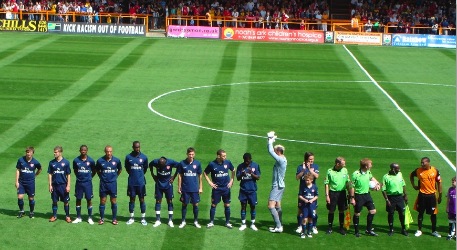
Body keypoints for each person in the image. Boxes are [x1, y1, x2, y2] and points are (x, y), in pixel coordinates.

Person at [409, 157, 442, 237]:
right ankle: (419, 230)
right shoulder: (418, 170)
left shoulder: (435, 171)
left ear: (428, 162)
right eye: (421, 162)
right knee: (420, 212)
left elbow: (439, 183)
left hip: (432, 196)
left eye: (423, 162)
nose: (422, 164)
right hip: (422, 195)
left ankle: (434, 231)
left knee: (433, 214)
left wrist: (440, 195)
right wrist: (414, 186)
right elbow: (411, 175)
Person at [204, 149, 235, 229]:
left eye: (225, 155)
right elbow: (205, 173)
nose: (225, 157)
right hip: (217, 189)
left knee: (227, 205)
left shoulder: (227, 162)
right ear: (218, 156)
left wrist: (231, 180)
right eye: (223, 156)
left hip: (226, 188)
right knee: (214, 204)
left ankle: (227, 222)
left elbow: (233, 170)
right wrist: (210, 182)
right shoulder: (212, 164)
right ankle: (211, 222)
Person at [350, 158, 380, 237]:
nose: (371, 165)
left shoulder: (368, 172)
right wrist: (352, 198)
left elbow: (372, 178)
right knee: (357, 213)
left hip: (367, 195)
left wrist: (377, 184)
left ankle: (368, 230)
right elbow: (352, 187)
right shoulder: (355, 174)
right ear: (366, 166)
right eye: (370, 164)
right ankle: (356, 231)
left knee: (373, 211)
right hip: (358, 196)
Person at [324, 157, 352, 235]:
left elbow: (348, 182)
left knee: (342, 210)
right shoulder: (330, 171)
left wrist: (350, 193)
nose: (345, 165)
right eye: (343, 164)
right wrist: (327, 195)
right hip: (332, 193)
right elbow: (326, 184)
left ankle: (341, 228)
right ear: (337, 164)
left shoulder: (345, 170)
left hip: (342, 193)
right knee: (331, 210)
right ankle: (329, 227)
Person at [149, 156, 179, 227]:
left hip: (168, 185)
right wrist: (153, 175)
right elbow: (150, 165)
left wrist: (174, 177)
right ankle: (158, 220)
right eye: (159, 166)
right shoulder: (155, 161)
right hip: (159, 185)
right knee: (158, 201)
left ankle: (170, 220)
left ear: (165, 163)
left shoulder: (171, 162)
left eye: (162, 166)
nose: (161, 167)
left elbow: (179, 166)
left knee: (169, 201)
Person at [177, 147, 203, 229]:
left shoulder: (197, 163)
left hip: (195, 188)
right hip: (185, 188)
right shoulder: (182, 163)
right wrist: (179, 187)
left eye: (192, 154)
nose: (191, 156)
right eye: (189, 154)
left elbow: (200, 176)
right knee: (184, 204)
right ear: (187, 154)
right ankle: (183, 221)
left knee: (195, 204)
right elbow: (180, 176)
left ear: (194, 154)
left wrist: (201, 187)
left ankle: (195, 221)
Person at [96, 145, 122, 225]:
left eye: (110, 151)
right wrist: (102, 177)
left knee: (113, 200)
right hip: (103, 184)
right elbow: (97, 170)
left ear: (112, 151)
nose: (109, 153)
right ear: (105, 152)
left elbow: (120, 169)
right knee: (103, 201)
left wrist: (115, 176)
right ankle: (102, 219)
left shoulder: (117, 160)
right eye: (107, 151)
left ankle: (114, 219)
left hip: (112, 184)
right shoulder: (100, 161)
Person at [266, 131, 287, 233]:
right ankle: (279, 225)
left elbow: (270, 151)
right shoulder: (282, 158)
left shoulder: (280, 160)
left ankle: (278, 226)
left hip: (277, 186)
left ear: (279, 151)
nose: (274, 152)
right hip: (280, 185)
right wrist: (271, 140)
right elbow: (271, 150)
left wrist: (270, 141)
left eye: (275, 151)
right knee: (278, 205)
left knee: (271, 206)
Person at [125, 141, 149, 226]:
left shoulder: (144, 157)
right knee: (132, 199)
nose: (137, 149)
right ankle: (131, 218)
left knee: (142, 199)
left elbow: (145, 168)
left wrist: (140, 175)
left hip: (141, 183)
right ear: (133, 147)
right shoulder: (128, 157)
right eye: (136, 147)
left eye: (138, 147)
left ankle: (143, 218)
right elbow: (127, 168)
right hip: (132, 182)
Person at [381, 163, 408, 236]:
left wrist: (405, 195)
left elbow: (403, 184)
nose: (399, 170)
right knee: (391, 213)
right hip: (391, 198)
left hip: (400, 197)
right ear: (393, 169)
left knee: (402, 213)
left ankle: (403, 229)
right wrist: (387, 200)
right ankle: (391, 229)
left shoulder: (399, 174)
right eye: (397, 168)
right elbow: (383, 190)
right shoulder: (385, 177)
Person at [295, 152, 319, 234]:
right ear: (305, 160)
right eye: (310, 159)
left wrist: (310, 170)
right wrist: (304, 170)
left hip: (312, 192)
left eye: (312, 159)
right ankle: (300, 226)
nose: (311, 161)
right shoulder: (300, 167)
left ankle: (314, 226)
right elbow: (297, 177)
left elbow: (317, 176)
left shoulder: (315, 166)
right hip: (303, 191)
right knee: (300, 210)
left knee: (314, 211)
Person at [72, 145, 96, 225]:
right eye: (82, 150)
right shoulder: (76, 160)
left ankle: (89, 217)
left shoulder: (91, 161)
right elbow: (75, 170)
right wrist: (79, 177)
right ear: (80, 151)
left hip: (88, 183)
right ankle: (78, 217)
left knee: (89, 199)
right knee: (78, 199)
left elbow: (94, 171)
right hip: (79, 183)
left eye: (84, 150)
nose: (83, 151)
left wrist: (89, 177)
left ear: (87, 151)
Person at [236, 153, 261, 231]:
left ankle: (252, 224)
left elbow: (258, 177)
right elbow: (238, 178)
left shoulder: (255, 165)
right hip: (243, 190)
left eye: (248, 161)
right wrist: (242, 174)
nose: (246, 162)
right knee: (243, 206)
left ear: (250, 159)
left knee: (252, 207)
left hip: (252, 190)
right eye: (245, 161)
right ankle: (243, 224)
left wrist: (252, 174)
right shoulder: (240, 166)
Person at [15, 146, 42, 219]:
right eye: (27, 152)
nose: (28, 154)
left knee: (31, 198)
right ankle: (22, 211)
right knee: (20, 197)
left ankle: (31, 212)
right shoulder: (21, 160)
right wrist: (16, 181)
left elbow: (40, 169)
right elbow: (18, 170)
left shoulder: (35, 162)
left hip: (30, 183)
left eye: (29, 152)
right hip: (21, 182)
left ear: (32, 153)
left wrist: (35, 175)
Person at [47, 146, 72, 223]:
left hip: (63, 185)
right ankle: (54, 216)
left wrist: (68, 185)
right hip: (55, 185)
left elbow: (68, 175)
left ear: (60, 152)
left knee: (66, 201)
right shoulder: (51, 163)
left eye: (56, 152)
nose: (54, 153)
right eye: (54, 152)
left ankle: (67, 216)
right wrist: (50, 185)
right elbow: (50, 174)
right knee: (54, 201)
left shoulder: (66, 162)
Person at [298, 173, 318, 238]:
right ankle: (303, 232)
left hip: (312, 205)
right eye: (306, 180)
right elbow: (299, 196)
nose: (306, 181)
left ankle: (309, 232)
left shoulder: (315, 187)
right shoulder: (303, 187)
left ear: (312, 180)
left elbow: (316, 196)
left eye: (308, 180)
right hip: (305, 205)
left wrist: (312, 200)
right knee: (304, 219)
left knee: (311, 218)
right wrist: (304, 200)